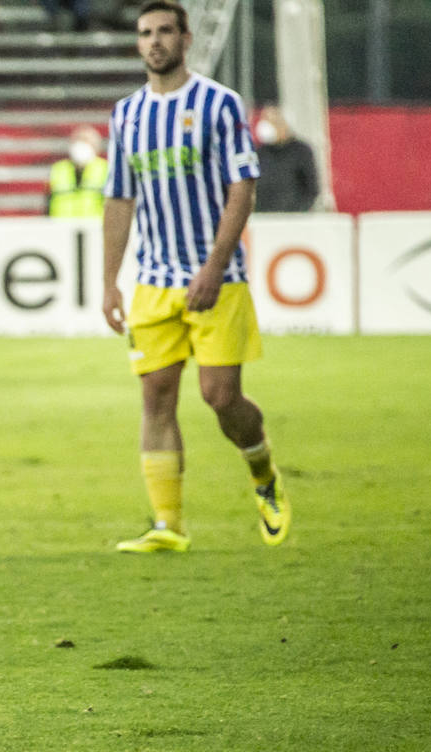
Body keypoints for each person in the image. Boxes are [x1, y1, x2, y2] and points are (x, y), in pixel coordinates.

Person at [101, 0, 291, 553]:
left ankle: (263, 472)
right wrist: (110, 281)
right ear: (138, 44)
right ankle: (168, 526)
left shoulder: (220, 104)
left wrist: (212, 266)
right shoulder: (126, 115)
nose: (154, 41)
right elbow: (118, 199)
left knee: (220, 397)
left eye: (165, 31)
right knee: (156, 398)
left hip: (218, 278)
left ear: (186, 39)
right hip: (152, 281)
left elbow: (242, 188)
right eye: (145, 33)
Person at [253, 105, 320, 213]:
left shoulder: (301, 151)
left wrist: (298, 211)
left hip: (293, 218)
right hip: (264, 218)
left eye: (272, 122)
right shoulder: (259, 153)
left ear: (284, 125)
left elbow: (311, 188)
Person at [46, 124, 107, 218]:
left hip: (95, 227)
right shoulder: (58, 169)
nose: (81, 144)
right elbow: (48, 202)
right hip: (60, 227)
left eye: (86, 140)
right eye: (78, 139)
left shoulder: (105, 169)